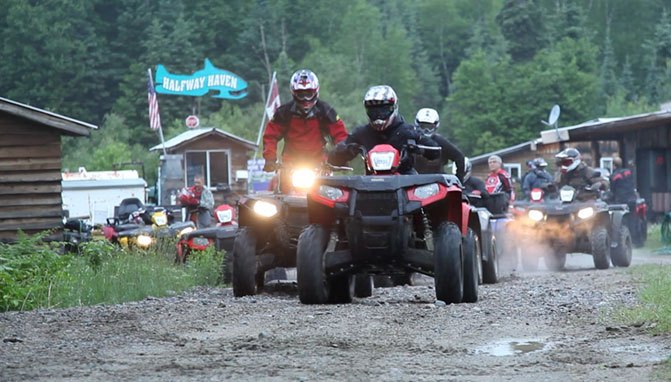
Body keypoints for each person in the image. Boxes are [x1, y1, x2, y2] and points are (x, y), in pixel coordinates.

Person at [262, 69, 348, 193]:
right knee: (282, 196)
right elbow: (270, 135)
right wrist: (270, 159)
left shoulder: (325, 110)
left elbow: (340, 134)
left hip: (320, 163)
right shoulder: (284, 112)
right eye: (301, 94)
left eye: (309, 93)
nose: (305, 98)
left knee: (331, 195)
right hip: (290, 164)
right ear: (294, 93)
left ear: (316, 91)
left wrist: (342, 155)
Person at [329, 85, 439, 173]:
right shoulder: (361, 133)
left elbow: (435, 151)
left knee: (429, 198)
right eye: (373, 111)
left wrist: (419, 148)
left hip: (406, 182)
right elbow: (333, 159)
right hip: (369, 185)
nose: (378, 115)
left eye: (383, 110)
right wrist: (346, 151)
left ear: (394, 108)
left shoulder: (408, 131)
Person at [412, 108, 466, 181]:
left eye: (429, 127)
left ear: (436, 126)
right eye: (423, 126)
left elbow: (459, 157)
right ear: (417, 125)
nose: (426, 130)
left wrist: (459, 180)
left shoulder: (441, 142)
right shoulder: (410, 139)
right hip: (412, 180)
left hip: (436, 182)